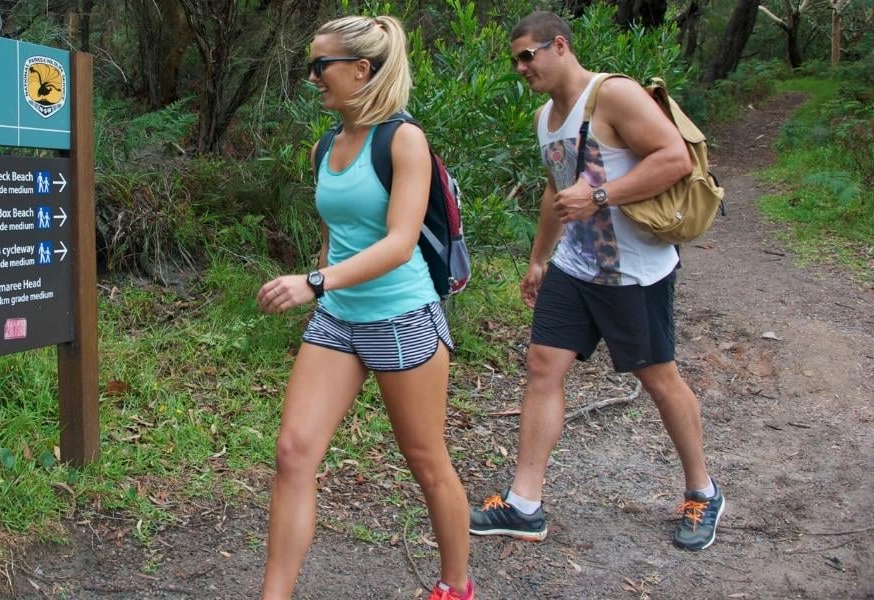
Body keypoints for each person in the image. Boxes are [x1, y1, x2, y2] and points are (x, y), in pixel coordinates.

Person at [467, 11, 724, 552]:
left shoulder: (614, 95)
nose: (520, 67)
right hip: (576, 268)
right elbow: (555, 189)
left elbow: (675, 158)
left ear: (559, 46)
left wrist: (602, 195)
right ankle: (525, 503)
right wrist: (540, 258)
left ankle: (703, 491)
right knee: (543, 367)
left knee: (658, 379)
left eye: (527, 55)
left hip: (634, 273)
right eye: (514, 59)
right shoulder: (544, 117)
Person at [257, 15, 474, 600]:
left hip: (402, 317)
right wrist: (322, 279)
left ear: (361, 69)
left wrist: (314, 280)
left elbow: (399, 241)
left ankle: (456, 586)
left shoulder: (404, 139)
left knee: (426, 460)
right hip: (338, 318)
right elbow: (340, 236)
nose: (312, 78)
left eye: (319, 65)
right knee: (293, 452)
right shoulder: (324, 144)